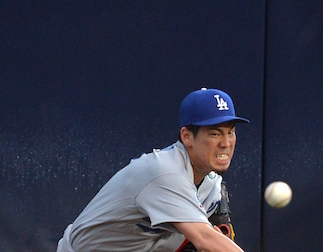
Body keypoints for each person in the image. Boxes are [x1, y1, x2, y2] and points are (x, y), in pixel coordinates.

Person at [57, 88, 250, 252]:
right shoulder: (164, 172)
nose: (226, 143)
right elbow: (204, 238)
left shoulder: (211, 185)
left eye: (230, 132)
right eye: (215, 133)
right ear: (187, 137)